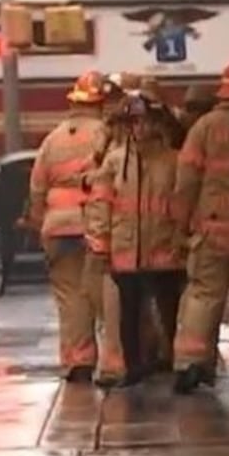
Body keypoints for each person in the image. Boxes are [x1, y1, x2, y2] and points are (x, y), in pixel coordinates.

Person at [172, 58, 229, 394]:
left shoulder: (204, 128)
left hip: (210, 229)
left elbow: (186, 181)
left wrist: (181, 225)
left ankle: (191, 363)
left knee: (204, 294)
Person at [84, 93, 186, 386]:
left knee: (171, 311)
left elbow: (182, 203)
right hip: (126, 252)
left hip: (165, 251)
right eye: (132, 123)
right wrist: (101, 244)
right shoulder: (115, 162)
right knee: (128, 313)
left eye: (143, 122)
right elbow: (100, 203)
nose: (137, 129)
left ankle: (173, 361)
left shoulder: (173, 161)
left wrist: (182, 240)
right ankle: (132, 367)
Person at [25, 70, 107, 382]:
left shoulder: (53, 139)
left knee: (70, 296)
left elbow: (37, 188)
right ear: (99, 103)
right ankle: (115, 360)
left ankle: (78, 360)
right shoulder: (105, 135)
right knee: (102, 296)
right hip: (94, 225)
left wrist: (37, 221)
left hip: (57, 229)